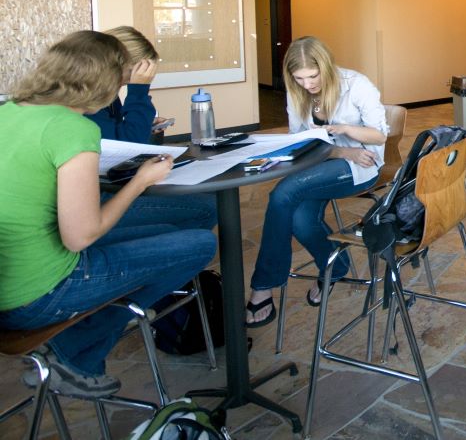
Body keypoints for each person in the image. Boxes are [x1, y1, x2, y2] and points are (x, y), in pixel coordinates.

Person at [0, 31, 216, 399]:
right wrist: (141, 181)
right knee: (200, 243)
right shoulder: (74, 129)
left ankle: (81, 352)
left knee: (165, 228)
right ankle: (72, 351)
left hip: (12, 278)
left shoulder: (9, 112)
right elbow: (80, 237)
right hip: (37, 295)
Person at [245, 36, 388, 327]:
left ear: (326, 66)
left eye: (313, 76)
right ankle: (335, 267)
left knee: (284, 193)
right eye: (299, 78)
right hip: (323, 163)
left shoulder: (357, 84)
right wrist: (340, 149)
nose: (308, 84)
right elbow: (302, 142)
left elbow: (380, 136)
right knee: (298, 220)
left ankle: (263, 286)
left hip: (360, 166)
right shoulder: (297, 92)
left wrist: (346, 131)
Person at [85, 25, 217, 235]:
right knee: (206, 207)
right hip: (96, 198)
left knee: (201, 203)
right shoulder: (87, 98)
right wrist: (138, 91)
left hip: (105, 186)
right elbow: (128, 145)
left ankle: (167, 250)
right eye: (131, 75)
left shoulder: (102, 93)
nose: (126, 83)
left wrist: (145, 124)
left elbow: (116, 132)